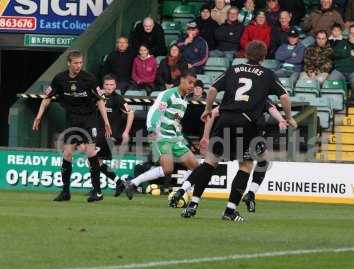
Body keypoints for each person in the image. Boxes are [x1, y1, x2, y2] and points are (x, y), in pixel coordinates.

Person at [169, 41, 295, 222]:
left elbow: (212, 88)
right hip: (247, 123)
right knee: (245, 166)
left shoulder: (233, 69)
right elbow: (283, 96)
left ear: (245, 55)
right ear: (264, 57)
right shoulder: (267, 74)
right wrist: (288, 117)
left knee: (210, 162)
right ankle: (230, 210)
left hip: (225, 119)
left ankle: (193, 204)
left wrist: (208, 108)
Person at [32, 50, 112, 202]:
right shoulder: (59, 79)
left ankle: (97, 192)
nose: (78, 66)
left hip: (89, 119)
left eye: (81, 63)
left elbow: (100, 100)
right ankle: (65, 192)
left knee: (90, 153)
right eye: (75, 63)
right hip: (72, 120)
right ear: (69, 63)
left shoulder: (89, 79)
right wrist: (39, 115)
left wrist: (106, 121)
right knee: (67, 153)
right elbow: (47, 98)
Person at [199, 101, 289, 212]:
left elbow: (213, 112)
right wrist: (281, 119)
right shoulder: (260, 94)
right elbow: (272, 108)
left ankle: (192, 199)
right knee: (253, 164)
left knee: (214, 163)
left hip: (229, 132)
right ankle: (247, 195)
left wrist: (206, 136)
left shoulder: (235, 95)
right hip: (250, 133)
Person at [125, 69, 199, 200]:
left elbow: (174, 119)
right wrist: (151, 129)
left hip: (175, 138)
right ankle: (134, 183)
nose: (192, 86)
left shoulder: (184, 100)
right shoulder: (168, 94)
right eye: (190, 82)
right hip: (161, 136)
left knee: (195, 167)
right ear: (182, 80)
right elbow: (155, 111)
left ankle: (180, 192)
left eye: (194, 83)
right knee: (168, 169)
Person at [95, 75, 134, 196]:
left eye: (111, 85)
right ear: (103, 85)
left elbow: (131, 113)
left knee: (93, 160)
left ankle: (96, 190)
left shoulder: (117, 99)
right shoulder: (98, 97)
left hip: (109, 135)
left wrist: (126, 132)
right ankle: (119, 182)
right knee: (96, 161)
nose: (109, 87)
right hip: (98, 134)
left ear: (115, 86)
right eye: (107, 84)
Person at [328, 24, 354, 106]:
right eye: (351, 33)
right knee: (330, 80)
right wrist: (349, 52)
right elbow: (334, 54)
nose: (353, 35)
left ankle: (353, 101)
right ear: (348, 33)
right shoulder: (341, 42)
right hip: (340, 70)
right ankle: (333, 102)